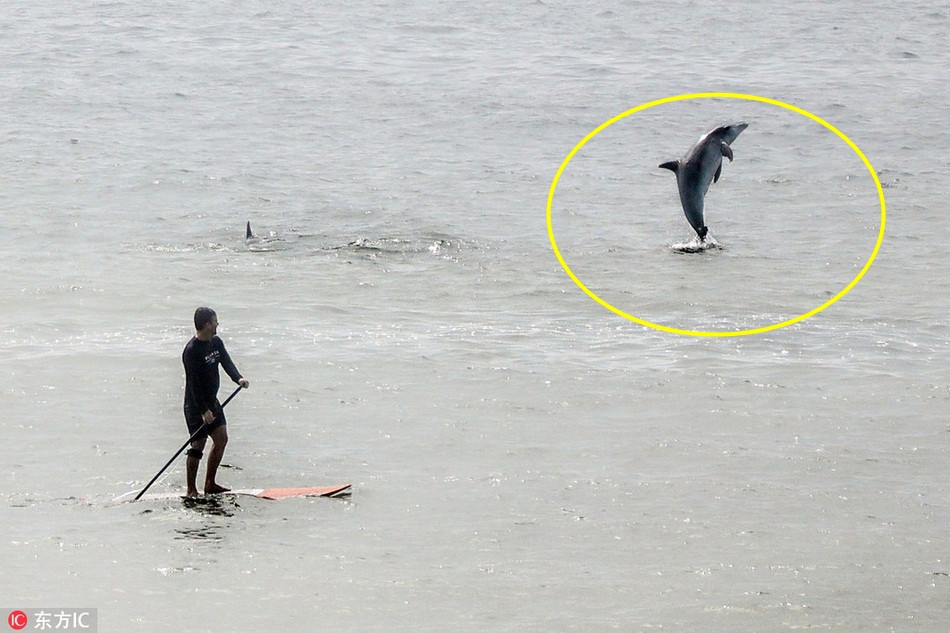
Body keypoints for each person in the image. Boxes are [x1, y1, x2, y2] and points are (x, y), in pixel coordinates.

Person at [182, 307, 249, 497]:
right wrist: (203, 410)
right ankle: (191, 490)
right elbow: (194, 385)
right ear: (206, 325)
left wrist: (238, 378)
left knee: (221, 439)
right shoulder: (191, 351)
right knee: (198, 445)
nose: (217, 324)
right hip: (195, 405)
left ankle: (210, 484)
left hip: (212, 401)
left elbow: (226, 362)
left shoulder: (216, 342)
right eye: (214, 321)